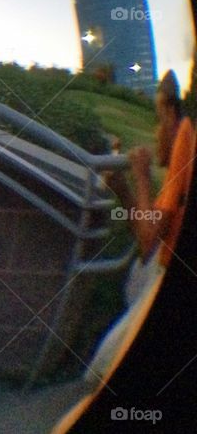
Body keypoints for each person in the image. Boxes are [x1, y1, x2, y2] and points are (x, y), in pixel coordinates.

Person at [83, 70, 195, 383]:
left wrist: (142, 176)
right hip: (158, 270)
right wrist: (123, 188)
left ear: (170, 115)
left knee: (102, 370)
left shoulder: (184, 143)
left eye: (158, 120)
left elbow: (147, 240)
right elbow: (152, 236)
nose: (156, 133)